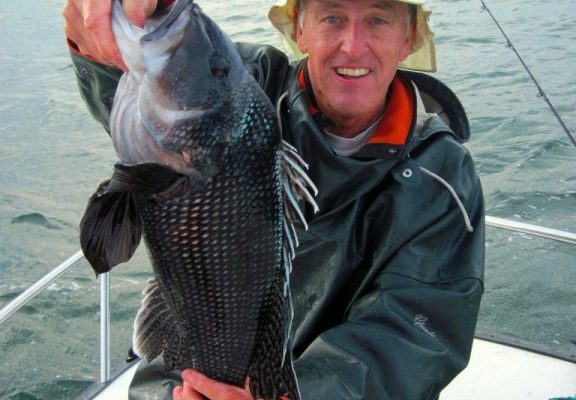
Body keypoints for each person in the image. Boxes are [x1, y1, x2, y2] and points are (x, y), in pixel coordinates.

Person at [63, 0, 485, 398]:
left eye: (377, 19)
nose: (353, 46)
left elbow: (415, 336)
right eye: (331, 17)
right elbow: (148, 90)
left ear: (408, 39)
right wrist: (100, 44)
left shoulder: (442, 176)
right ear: (300, 30)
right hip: (178, 374)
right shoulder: (246, 84)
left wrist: (284, 394)